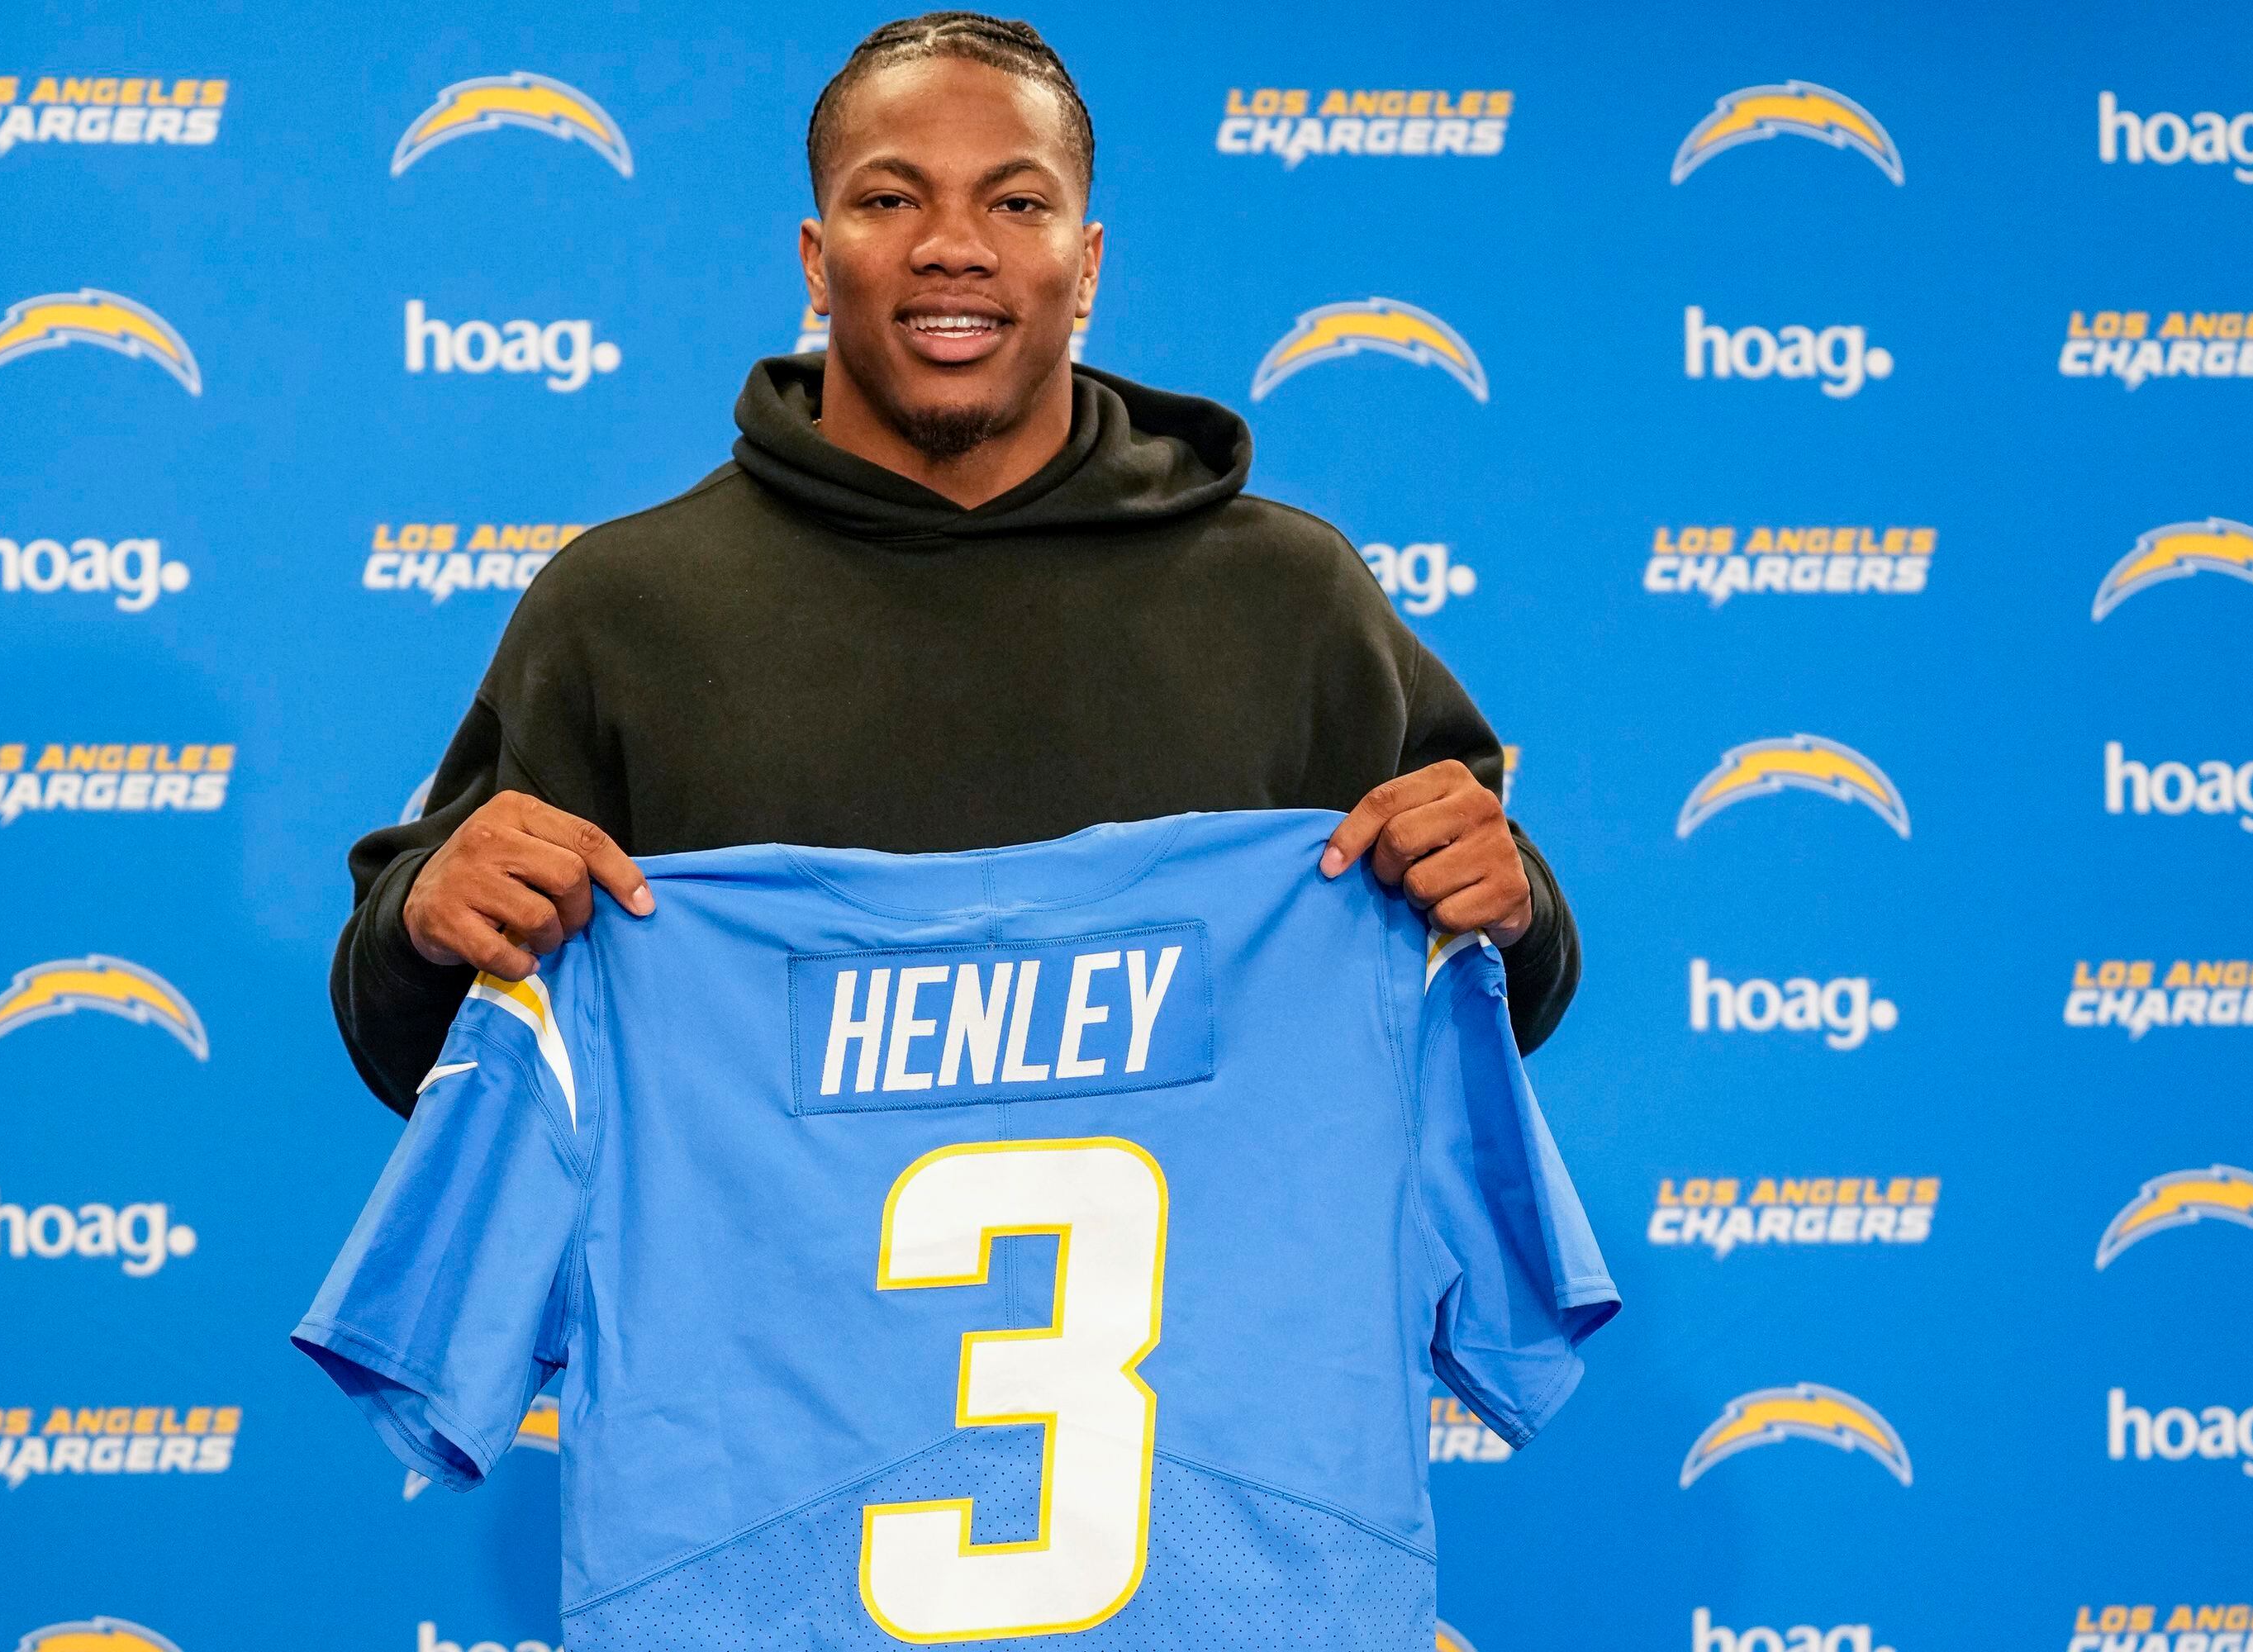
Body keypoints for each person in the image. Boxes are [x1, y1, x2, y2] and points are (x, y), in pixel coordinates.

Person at [331, 11, 1579, 1115]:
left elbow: (1482, 1000)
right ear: (818, 261)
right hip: (749, 1375)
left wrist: (1508, 902)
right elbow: (432, 1054)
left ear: (1084, 266)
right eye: (890, 199)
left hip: (1209, 1377)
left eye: (1016, 202)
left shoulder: (1293, 599)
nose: (953, 247)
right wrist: (427, 925)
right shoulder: (624, 609)